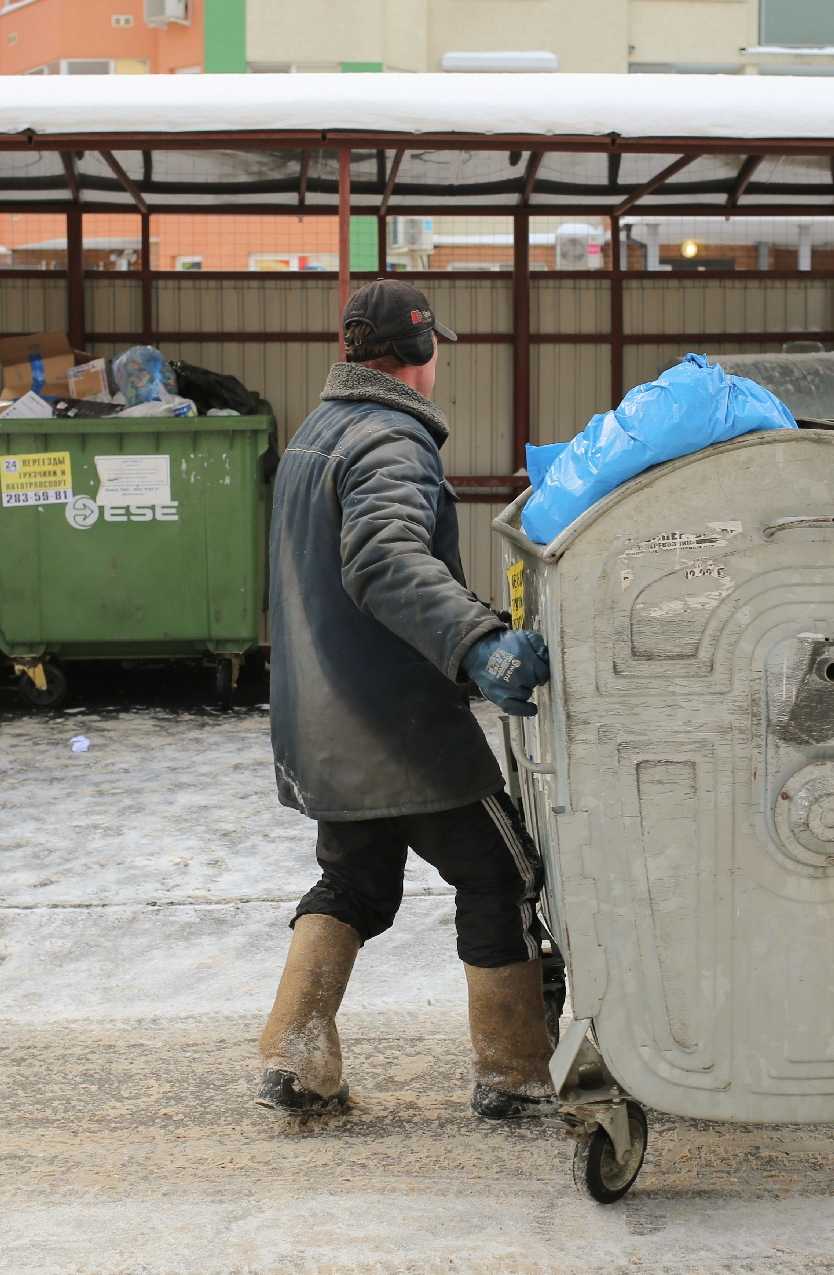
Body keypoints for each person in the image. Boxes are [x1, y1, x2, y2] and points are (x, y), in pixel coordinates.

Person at [258, 279, 557, 1121]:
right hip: (399, 724)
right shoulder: (392, 437)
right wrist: (478, 642)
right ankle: (515, 1073)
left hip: (322, 723)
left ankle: (296, 1054)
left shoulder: (317, 433)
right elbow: (384, 559)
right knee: (505, 872)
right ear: (419, 355)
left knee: (353, 883)